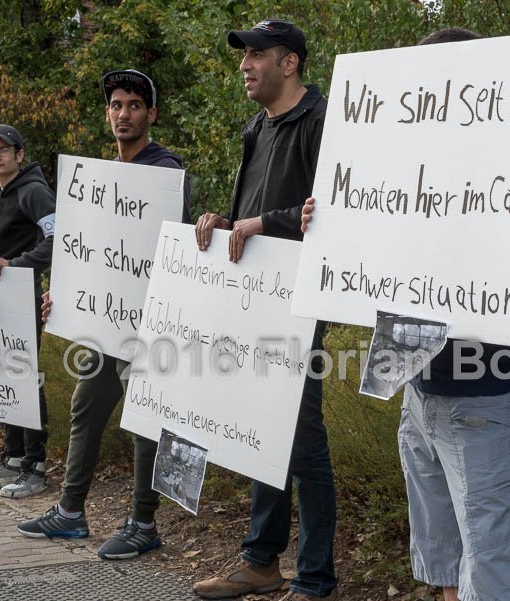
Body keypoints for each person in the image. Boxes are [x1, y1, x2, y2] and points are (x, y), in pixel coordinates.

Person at [373, 26, 510, 601]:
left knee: (488, 559)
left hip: (481, 397)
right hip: (415, 388)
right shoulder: (391, 166)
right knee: (442, 552)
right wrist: (328, 222)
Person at [17, 69, 191, 560]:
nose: (123, 114)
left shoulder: (166, 173)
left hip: (148, 325)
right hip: (105, 323)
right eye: (116, 105)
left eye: (134, 105)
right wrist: (63, 296)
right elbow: (83, 253)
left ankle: (142, 522)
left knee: (142, 420)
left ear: (151, 115)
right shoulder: (96, 180)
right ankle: (70, 513)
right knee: (86, 405)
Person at [192, 20, 339, 601]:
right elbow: (249, 213)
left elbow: (329, 212)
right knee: (261, 429)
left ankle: (315, 577)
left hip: (299, 304)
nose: (246, 65)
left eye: (257, 54)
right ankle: (260, 561)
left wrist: (263, 224)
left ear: (290, 62)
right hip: (250, 301)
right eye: (244, 56)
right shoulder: (258, 126)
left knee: (302, 439)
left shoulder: (322, 122)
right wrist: (223, 224)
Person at [0, 124, 55, 498]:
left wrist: (16, 264)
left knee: (25, 380)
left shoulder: (33, 191)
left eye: (4, 150)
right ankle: (14, 458)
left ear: (20, 154)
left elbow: (60, 240)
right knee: (5, 380)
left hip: (24, 300)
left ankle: (37, 465)